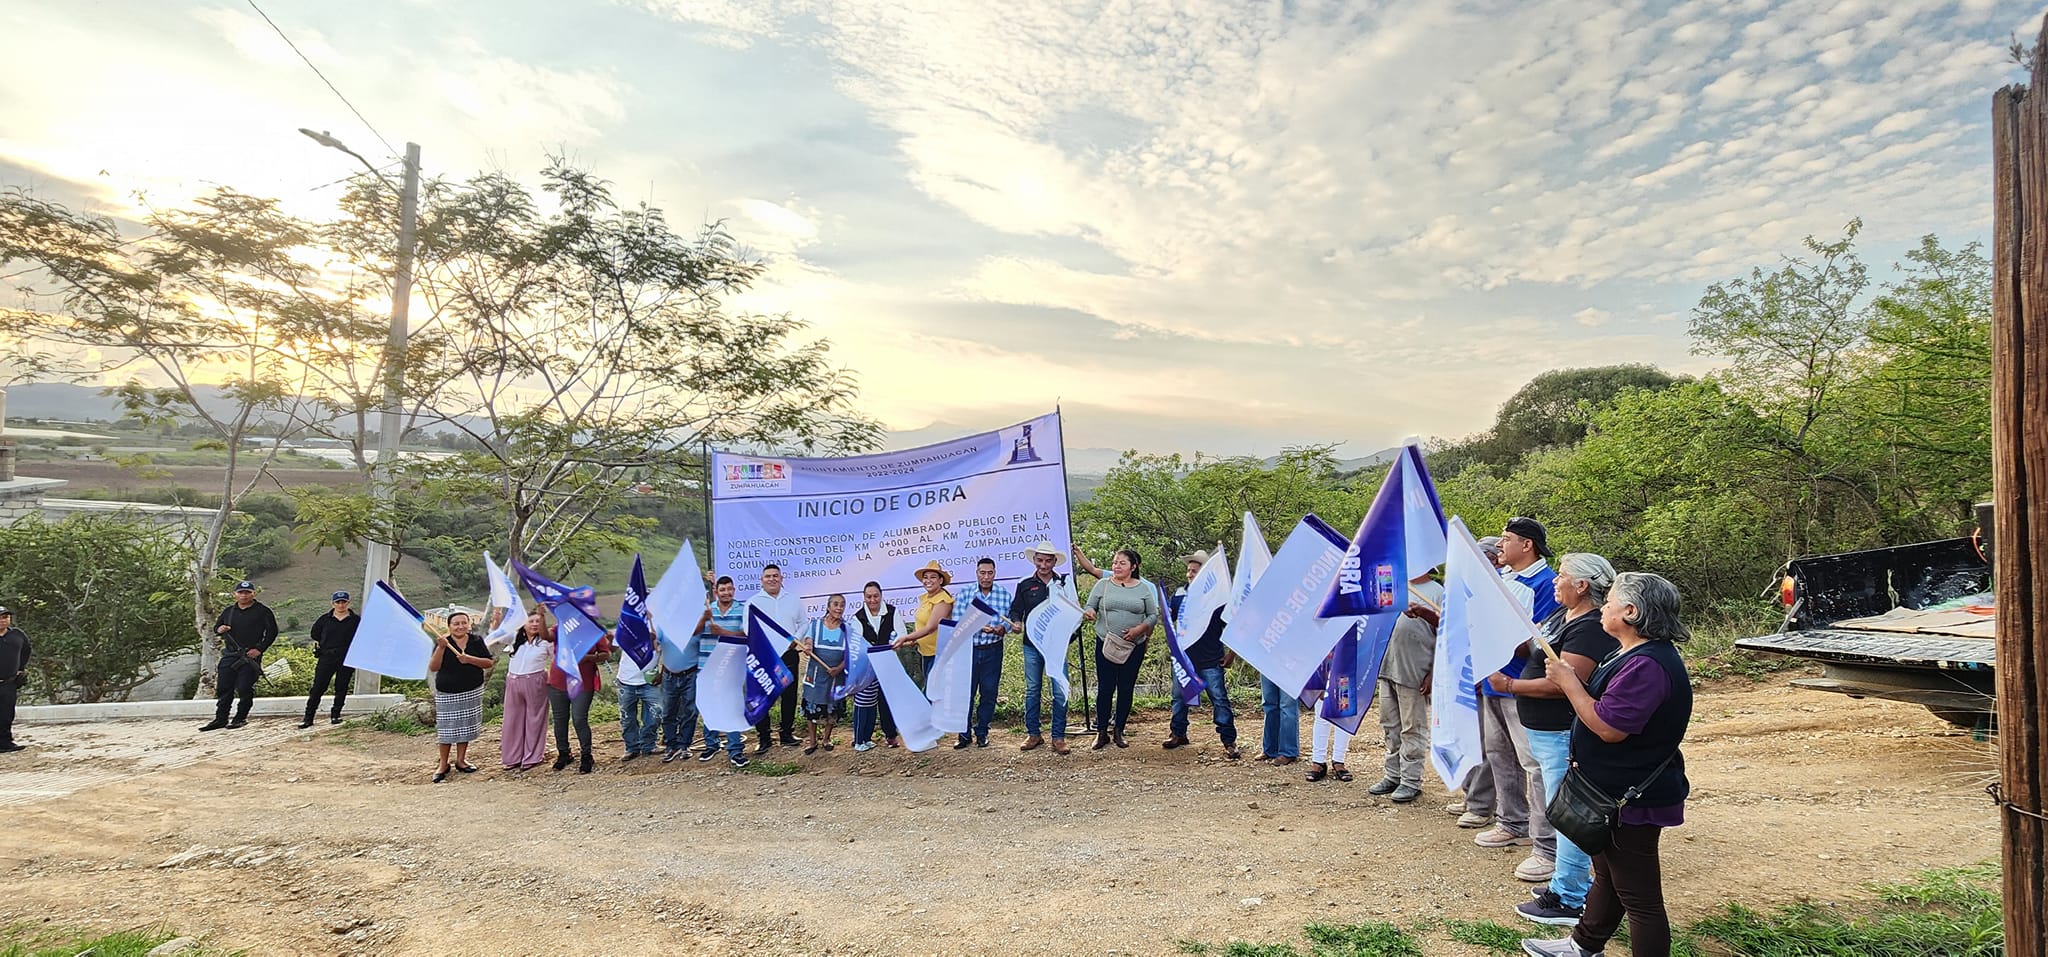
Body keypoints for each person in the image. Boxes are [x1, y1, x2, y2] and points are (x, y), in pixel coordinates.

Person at [1520, 572, 1693, 957]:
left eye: (1611, 600)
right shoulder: (1628, 653)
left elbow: (1610, 727)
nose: (1604, 606)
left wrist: (1569, 684)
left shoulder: (1648, 664)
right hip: (1609, 794)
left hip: (1630, 800)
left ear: (1630, 611)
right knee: (1610, 877)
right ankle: (1584, 945)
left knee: (1640, 898)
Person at [1509, 553, 1623, 923]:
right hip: (1543, 732)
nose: (1556, 582)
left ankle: (1569, 897)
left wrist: (1510, 684)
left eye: (1562, 576)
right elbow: (1534, 648)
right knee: (1557, 807)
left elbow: (1565, 684)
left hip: (1561, 731)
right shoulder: (1563, 615)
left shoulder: (1590, 627)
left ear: (1582, 585)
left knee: (1567, 812)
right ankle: (1569, 881)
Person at [1470, 518, 1561, 862]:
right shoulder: (1504, 579)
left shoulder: (1545, 584)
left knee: (1533, 763)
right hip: (1495, 680)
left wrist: (1499, 639)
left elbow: (1541, 642)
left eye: (1506, 540)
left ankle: (1546, 838)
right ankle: (1511, 820)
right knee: (1499, 754)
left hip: (1524, 684)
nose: (1500, 547)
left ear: (1527, 545)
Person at [1369, 571, 1445, 804]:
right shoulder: (1395, 587)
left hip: (1415, 668)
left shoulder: (1438, 592)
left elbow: (1447, 632)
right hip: (1388, 665)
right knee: (1390, 725)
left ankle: (1411, 780)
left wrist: (1434, 672)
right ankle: (1392, 774)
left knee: (1413, 726)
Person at [1451, 535, 1507, 822]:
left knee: (1489, 746)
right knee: (1470, 739)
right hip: (1468, 673)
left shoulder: (1498, 586)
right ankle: (1471, 794)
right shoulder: (1474, 586)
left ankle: (1481, 805)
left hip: (1489, 677)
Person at [1163, 551, 1239, 760]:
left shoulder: (1218, 599)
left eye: (1195, 571)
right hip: (1185, 658)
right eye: (1188, 570)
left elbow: (1233, 627)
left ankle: (1228, 740)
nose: (1189, 574)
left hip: (1211, 658)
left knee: (1219, 699)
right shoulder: (1178, 595)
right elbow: (1171, 622)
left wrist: (1231, 654)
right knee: (1178, 698)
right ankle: (1178, 733)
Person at [1081, 549, 1157, 751]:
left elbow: (1152, 615)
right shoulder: (1102, 585)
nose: (1116, 566)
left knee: (1125, 687)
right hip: (1106, 643)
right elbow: (1091, 605)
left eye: (1122, 563)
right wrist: (1089, 612)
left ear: (1133, 567)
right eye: (1115, 562)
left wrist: (1139, 629)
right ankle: (1101, 732)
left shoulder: (1143, 589)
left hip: (1134, 646)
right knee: (1105, 688)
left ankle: (1119, 730)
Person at [1009, 542, 1072, 754]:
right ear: (1034, 560)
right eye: (1040, 560)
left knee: (1060, 691)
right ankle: (1033, 734)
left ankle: (1058, 737)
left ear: (1054, 562)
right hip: (1032, 644)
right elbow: (1015, 611)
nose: (1043, 564)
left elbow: (1073, 610)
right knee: (1032, 690)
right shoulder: (1025, 584)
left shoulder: (1064, 583)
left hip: (1057, 646)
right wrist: (1016, 623)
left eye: (1048, 560)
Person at [199, 580, 279, 732]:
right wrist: (220, 629)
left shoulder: (263, 611)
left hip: (250, 655)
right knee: (224, 687)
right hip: (230, 654)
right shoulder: (229, 611)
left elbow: (272, 632)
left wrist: (260, 649)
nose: (244, 595)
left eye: (247, 592)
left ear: (253, 594)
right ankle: (220, 718)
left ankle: (240, 717)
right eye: (241, 593)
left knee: (244, 687)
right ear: (235, 594)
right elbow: (217, 627)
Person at [953, 558, 1013, 749]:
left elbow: (1009, 621)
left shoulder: (1003, 594)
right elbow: (957, 622)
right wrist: (979, 627)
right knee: (965, 693)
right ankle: (963, 734)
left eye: (989, 573)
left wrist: (1002, 629)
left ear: (995, 573)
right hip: (969, 649)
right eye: (982, 573)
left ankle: (982, 732)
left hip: (993, 649)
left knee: (989, 692)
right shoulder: (966, 594)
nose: (986, 577)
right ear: (976, 573)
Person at [427, 612, 494, 783]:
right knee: (446, 729)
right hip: (447, 692)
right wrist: (441, 647)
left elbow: (488, 662)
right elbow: (434, 667)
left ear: (469, 625)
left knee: (465, 726)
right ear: (449, 626)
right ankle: (443, 764)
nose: (460, 626)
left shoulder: (476, 641)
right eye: (456, 623)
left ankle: (461, 760)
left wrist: (469, 659)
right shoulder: (442, 642)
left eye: (464, 623)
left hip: (471, 690)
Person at [749, 564, 808, 752]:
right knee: (762, 696)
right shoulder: (753, 602)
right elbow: (748, 629)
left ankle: (786, 734)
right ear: (762, 580)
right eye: (768, 576)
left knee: (789, 696)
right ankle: (764, 737)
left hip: (789, 653)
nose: (772, 579)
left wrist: (796, 639)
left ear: (782, 578)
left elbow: (804, 623)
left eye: (775, 576)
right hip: (764, 655)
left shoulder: (793, 600)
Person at [693, 576, 751, 767]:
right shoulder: (706, 609)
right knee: (708, 705)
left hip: (732, 668)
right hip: (706, 666)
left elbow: (746, 635)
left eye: (729, 589)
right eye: (722, 589)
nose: (726, 592)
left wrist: (723, 633)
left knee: (732, 707)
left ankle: (735, 750)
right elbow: (693, 633)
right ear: (716, 591)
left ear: (734, 590)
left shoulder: (742, 609)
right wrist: (703, 618)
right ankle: (711, 744)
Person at [548, 618, 613, 774]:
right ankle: (564, 753)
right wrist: (542, 616)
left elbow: (606, 654)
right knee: (560, 719)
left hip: (583, 682)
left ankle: (586, 754)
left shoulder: (593, 630)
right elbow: (546, 636)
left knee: (579, 718)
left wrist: (589, 658)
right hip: (558, 681)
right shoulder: (560, 627)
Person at [850, 581, 904, 752]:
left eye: (876, 596)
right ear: (864, 598)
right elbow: (856, 643)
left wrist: (896, 644)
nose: (872, 600)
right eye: (869, 597)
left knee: (888, 700)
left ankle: (890, 735)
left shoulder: (892, 612)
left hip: (888, 663)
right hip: (867, 668)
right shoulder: (857, 618)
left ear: (881, 596)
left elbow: (902, 633)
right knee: (866, 703)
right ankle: (861, 737)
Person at [500, 610, 553, 771]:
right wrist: (496, 618)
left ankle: (533, 756)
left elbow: (558, 658)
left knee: (534, 719)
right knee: (512, 719)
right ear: (524, 623)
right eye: (531, 621)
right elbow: (498, 635)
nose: (535, 624)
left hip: (535, 681)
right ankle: (513, 757)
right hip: (513, 680)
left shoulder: (546, 642)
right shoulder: (516, 639)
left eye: (538, 621)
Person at [301, 590, 360, 728]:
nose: (341, 605)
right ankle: (308, 717)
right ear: (333, 603)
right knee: (318, 687)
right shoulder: (324, 619)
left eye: (343, 602)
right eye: (338, 602)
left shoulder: (356, 620)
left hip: (346, 656)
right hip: (327, 656)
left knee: (341, 687)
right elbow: (315, 633)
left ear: (348, 603)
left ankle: (336, 715)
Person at [801, 594, 850, 753]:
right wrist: (808, 646)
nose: (839, 608)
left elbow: (849, 655)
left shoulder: (847, 628)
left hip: (835, 676)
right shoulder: (815, 625)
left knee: (832, 708)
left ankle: (826, 739)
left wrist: (839, 668)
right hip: (816, 674)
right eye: (835, 604)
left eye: (842, 605)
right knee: (812, 708)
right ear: (828, 607)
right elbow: (808, 640)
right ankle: (812, 741)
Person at [895, 562, 954, 688]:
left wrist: (906, 637)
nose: (928, 580)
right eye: (925, 577)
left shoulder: (943, 600)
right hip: (926, 653)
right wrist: (915, 639)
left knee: (933, 694)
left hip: (939, 655)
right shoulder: (926, 598)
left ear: (940, 580)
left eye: (933, 577)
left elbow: (931, 627)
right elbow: (922, 624)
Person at [658, 622, 701, 764]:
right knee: (668, 712)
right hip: (669, 675)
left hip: (691, 674)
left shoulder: (696, 626)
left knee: (690, 711)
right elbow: (653, 642)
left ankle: (684, 745)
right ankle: (671, 745)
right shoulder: (662, 626)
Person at [615, 638, 662, 762]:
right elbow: (612, 648)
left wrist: (662, 674)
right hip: (626, 681)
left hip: (649, 680)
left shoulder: (660, 627)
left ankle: (648, 745)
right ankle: (631, 748)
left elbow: (668, 652)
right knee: (627, 718)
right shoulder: (628, 627)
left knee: (655, 715)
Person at [0, 606, 28, 753]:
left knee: (6, 714)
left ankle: (5, 743)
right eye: (0, 617)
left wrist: (20, 669)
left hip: (8, 683)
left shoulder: (17, 635)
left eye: (5, 617)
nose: (2, 620)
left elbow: (26, 650)